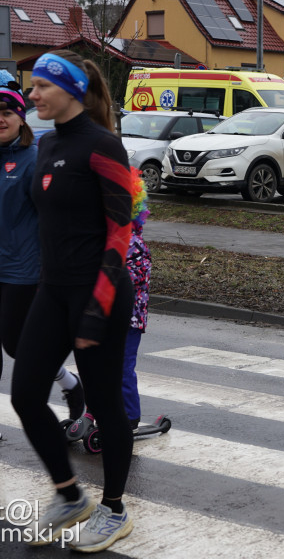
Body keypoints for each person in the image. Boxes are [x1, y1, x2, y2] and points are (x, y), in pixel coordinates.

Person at [12, 50, 136, 552]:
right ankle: (68, 494)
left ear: (68, 90)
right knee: (23, 394)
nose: (32, 95)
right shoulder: (45, 147)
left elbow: (120, 231)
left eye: (39, 86)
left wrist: (98, 305)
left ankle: (114, 509)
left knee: (106, 407)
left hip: (97, 293)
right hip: (54, 289)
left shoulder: (102, 145)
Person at [0, 70, 86, 443]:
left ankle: (71, 383)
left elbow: (53, 213)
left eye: (7, 112)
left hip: (23, 269)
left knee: (16, 344)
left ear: (20, 117)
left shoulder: (35, 158)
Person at [123, 176, 152, 429]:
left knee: (123, 369)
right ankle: (95, 411)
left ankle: (130, 417)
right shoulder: (106, 240)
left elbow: (129, 283)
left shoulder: (135, 246)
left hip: (129, 320)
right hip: (105, 316)